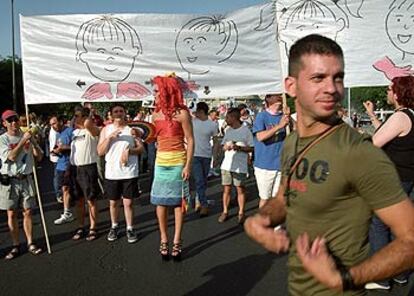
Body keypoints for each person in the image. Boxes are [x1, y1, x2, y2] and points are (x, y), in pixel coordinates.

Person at [244, 34, 414, 296]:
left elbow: (410, 239)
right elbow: (285, 197)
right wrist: (260, 220)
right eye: (318, 78)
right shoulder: (292, 143)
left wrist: (345, 278)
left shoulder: (359, 153)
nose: (332, 88)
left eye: (338, 78)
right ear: (291, 86)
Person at [363, 75, 414, 290]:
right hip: (409, 179)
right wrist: (372, 116)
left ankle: (382, 276)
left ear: (398, 93)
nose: (387, 92)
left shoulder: (400, 117)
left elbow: (374, 143)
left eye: (390, 89)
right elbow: (393, 134)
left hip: (394, 180)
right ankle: (400, 273)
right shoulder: (409, 115)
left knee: (379, 225)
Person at [150, 75, 194, 261]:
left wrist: (188, 165)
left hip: (178, 163)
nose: (154, 93)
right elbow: (153, 139)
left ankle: (177, 240)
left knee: (177, 203)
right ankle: (163, 238)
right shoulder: (155, 114)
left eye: (157, 90)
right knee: (160, 202)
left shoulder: (182, 114)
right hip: (160, 163)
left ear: (167, 91)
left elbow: (191, 140)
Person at [97, 103, 144, 243]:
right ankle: (114, 226)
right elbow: (100, 151)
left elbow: (141, 149)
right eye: (115, 111)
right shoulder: (106, 130)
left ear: (124, 113)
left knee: (128, 203)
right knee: (113, 203)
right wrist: (110, 137)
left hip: (129, 172)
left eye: (121, 111)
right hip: (112, 172)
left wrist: (130, 151)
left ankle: (130, 228)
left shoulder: (132, 130)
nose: (118, 113)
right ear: (111, 115)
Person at [0, 110, 43, 259]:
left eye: (15, 119)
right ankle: (15, 245)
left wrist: (35, 146)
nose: (14, 122)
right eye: (9, 120)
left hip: (26, 179)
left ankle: (30, 242)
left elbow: (40, 156)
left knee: (28, 211)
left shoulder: (27, 137)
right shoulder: (3, 139)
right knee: (11, 213)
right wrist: (23, 141)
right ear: (4, 123)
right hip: (10, 180)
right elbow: (11, 157)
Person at [218, 108, 253, 224]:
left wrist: (240, 148)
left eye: (228, 117)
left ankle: (241, 212)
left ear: (234, 118)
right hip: (227, 165)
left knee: (240, 190)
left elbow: (252, 147)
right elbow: (223, 146)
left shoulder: (246, 131)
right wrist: (226, 147)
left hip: (240, 165)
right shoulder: (228, 131)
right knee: (226, 189)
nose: (226, 119)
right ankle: (225, 211)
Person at [253, 94, 289, 208]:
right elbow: (260, 137)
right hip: (265, 166)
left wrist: (289, 117)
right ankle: (263, 223)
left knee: (278, 198)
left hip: (281, 165)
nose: (279, 97)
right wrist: (279, 126)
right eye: (275, 95)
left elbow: (299, 132)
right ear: (268, 99)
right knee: (265, 198)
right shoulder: (261, 116)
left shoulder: (285, 116)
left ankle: (276, 225)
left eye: (280, 95)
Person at [70, 107, 100, 241]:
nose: (74, 118)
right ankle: (81, 226)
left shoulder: (92, 130)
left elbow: (94, 130)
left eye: (77, 116)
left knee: (90, 199)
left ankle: (93, 227)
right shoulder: (74, 132)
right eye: (74, 116)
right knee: (78, 200)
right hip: (75, 168)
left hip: (88, 168)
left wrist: (89, 119)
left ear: (84, 117)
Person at [191, 102, 218, 217]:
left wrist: (215, 156)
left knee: (204, 181)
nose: (195, 113)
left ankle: (198, 200)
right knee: (199, 180)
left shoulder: (212, 124)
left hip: (206, 155)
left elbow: (216, 141)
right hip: (195, 155)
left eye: (197, 111)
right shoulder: (192, 122)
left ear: (201, 111)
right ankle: (203, 205)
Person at [50, 115, 75, 225]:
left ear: (60, 122)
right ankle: (67, 212)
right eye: (51, 124)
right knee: (64, 189)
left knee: (67, 189)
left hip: (69, 164)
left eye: (54, 123)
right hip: (60, 164)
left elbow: (76, 146)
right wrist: (55, 150)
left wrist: (64, 148)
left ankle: (68, 212)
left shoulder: (70, 131)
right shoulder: (58, 133)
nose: (53, 126)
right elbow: (58, 146)